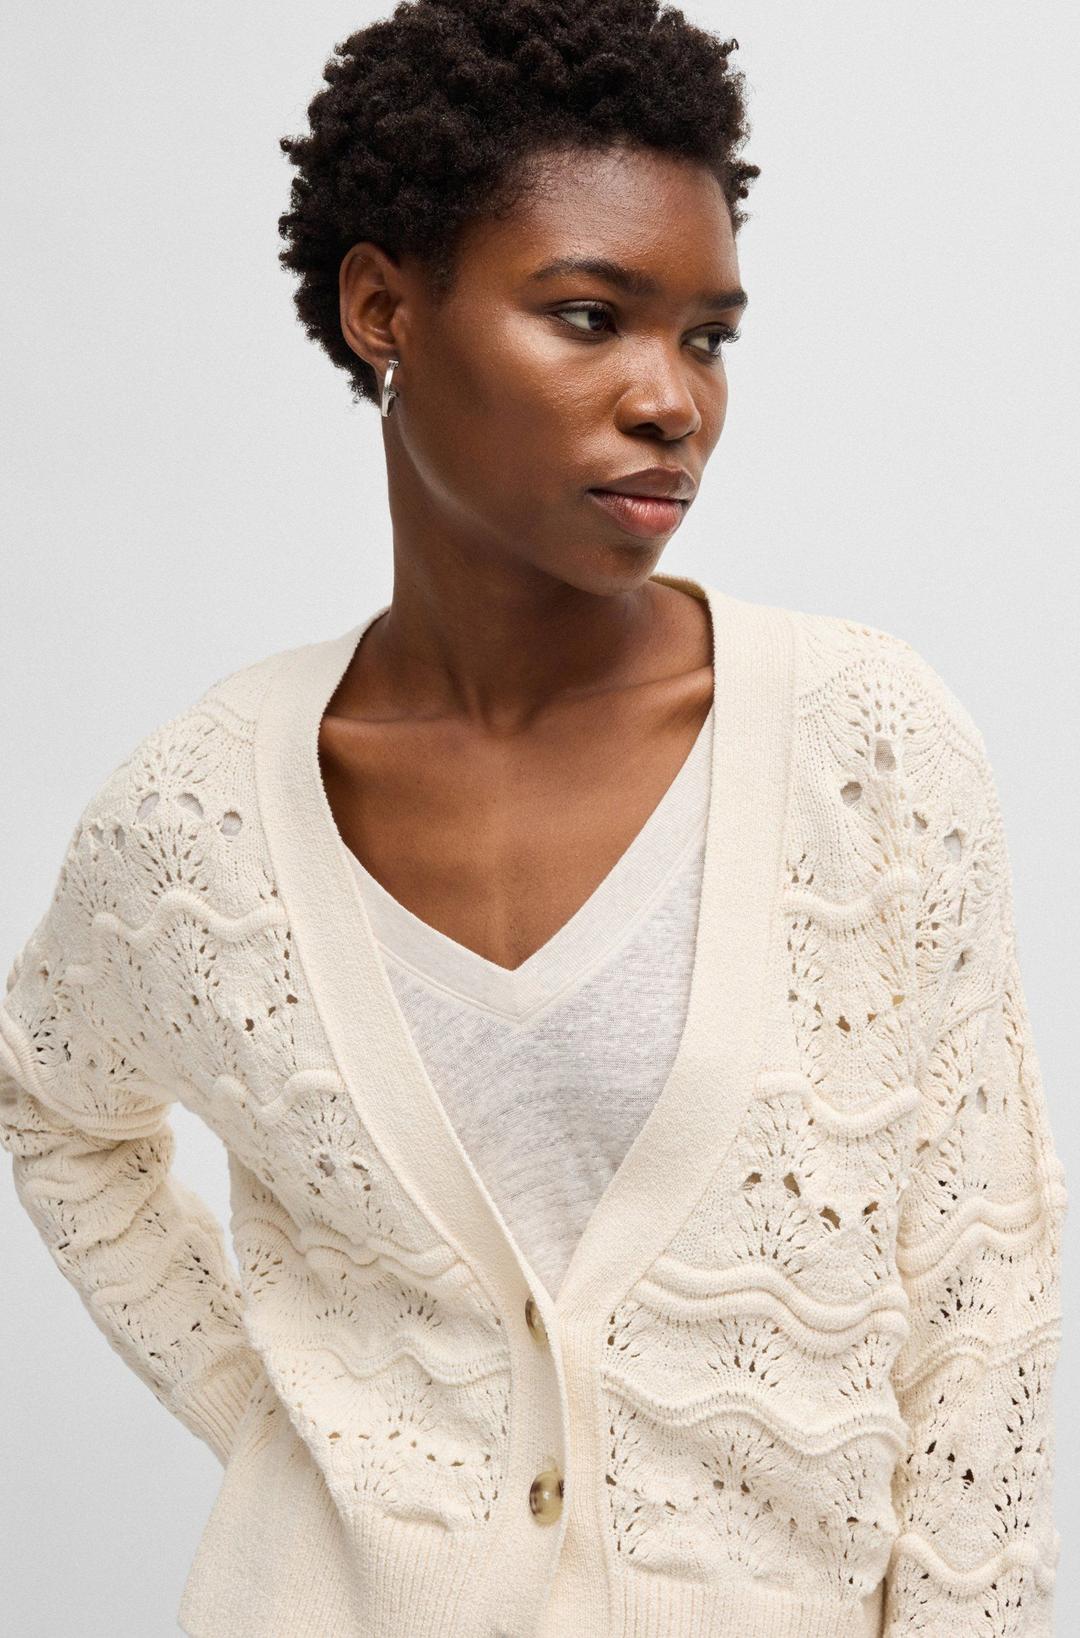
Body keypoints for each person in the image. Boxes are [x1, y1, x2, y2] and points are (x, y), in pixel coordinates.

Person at [1, 3, 1066, 1635]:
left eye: (707, 337)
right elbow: (52, 1102)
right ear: (384, 308)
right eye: (590, 317)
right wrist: (286, 1435)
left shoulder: (867, 751)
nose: (672, 400)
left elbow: (986, 1305)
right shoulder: (200, 818)